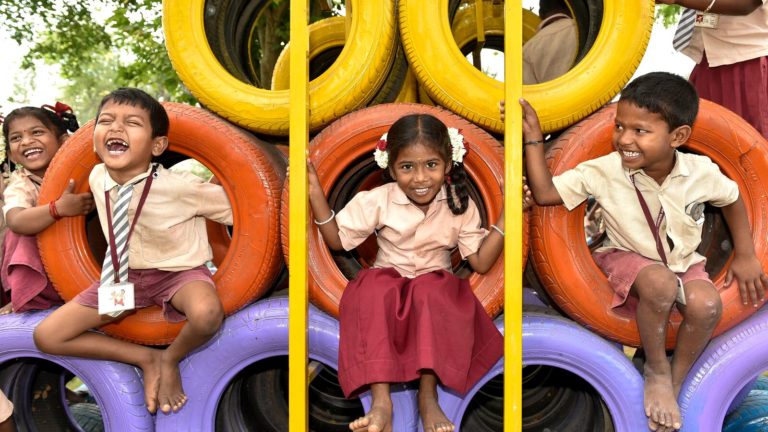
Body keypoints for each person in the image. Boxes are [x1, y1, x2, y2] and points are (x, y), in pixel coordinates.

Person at [515, 72, 766, 432]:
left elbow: (733, 199)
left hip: (683, 262)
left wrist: (745, 254)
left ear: (677, 137)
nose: (624, 139)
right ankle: (656, 371)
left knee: (707, 305)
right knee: (661, 284)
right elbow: (544, 192)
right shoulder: (603, 170)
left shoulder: (700, 170)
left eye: (640, 131)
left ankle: (676, 381)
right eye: (620, 127)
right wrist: (534, 139)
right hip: (624, 257)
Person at [33, 88, 233, 415]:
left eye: (132, 123)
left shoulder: (180, 187)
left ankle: (170, 357)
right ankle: (146, 357)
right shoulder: (97, 177)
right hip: (124, 276)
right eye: (107, 121)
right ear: (94, 138)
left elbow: (244, 210)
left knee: (206, 313)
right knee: (48, 336)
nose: (116, 128)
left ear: (157, 146)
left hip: (179, 274)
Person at [308, 114, 507, 432]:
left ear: (448, 164)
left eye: (431, 165)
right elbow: (337, 240)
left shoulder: (459, 205)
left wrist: (507, 217)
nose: (420, 178)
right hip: (389, 275)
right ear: (390, 168)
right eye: (407, 167)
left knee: (432, 293)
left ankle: (428, 398)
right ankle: (381, 403)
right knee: (373, 289)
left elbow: (481, 262)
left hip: (434, 280)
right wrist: (315, 192)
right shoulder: (378, 200)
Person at [0, 103, 93, 315]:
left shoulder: (83, 171)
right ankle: (25, 294)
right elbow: (15, 220)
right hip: (47, 271)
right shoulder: (21, 183)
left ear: (63, 142)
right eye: (16, 138)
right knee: (19, 233)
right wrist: (57, 209)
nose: (26, 141)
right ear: (11, 155)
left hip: (85, 262)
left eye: (37, 132)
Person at [658, 0, 768, 139]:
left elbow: (746, 3)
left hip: (749, 61)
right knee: (709, 142)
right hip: (709, 58)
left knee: (750, 143)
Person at [523, 0, 579, 84]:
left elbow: (528, 92)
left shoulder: (527, 50)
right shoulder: (585, 31)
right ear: (570, 8)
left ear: (540, 14)